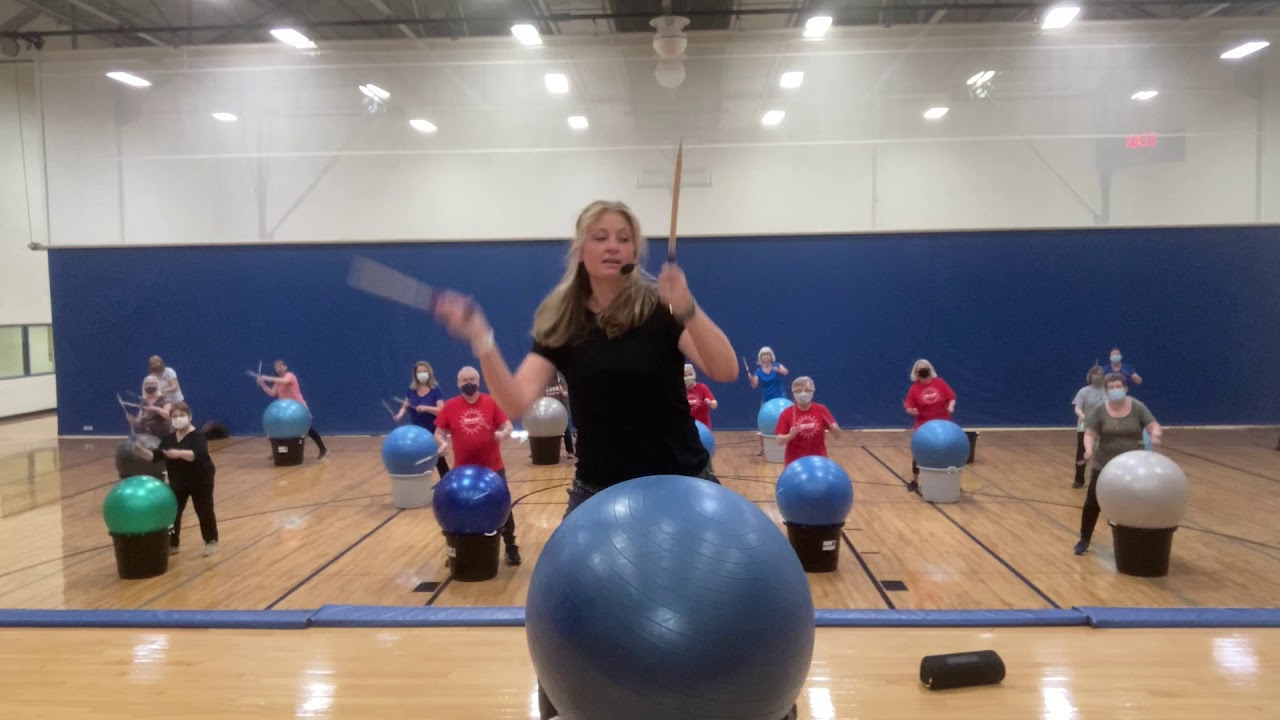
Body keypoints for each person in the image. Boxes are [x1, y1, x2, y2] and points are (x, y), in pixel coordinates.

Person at [431, 200, 755, 720]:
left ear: (635, 250)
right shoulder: (562, 323)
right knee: (567, 613)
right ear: (581, 249)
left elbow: (724, 369)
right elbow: (515, 402)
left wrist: (688, 305)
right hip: (600, 490)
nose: (613, 246)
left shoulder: (660, 308)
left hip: (684, 483)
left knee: (721, 607)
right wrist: (482, 341)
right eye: (601, 236)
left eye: (624, 238)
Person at [433, 366, 520, 566]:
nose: (468, 383)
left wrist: (503, 433)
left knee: (503, 507)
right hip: (463, 473)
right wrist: (443, 443)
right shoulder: (450, 406)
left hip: (492, 469)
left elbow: (508, 425)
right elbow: (439, 432)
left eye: (472, 379)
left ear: (478, 381)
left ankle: (510, 547)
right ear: (458, 383)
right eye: (464, 380)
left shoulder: (490, 402)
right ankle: (458, 550)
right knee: (458, 510)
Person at [1076, 373, 1162, 555]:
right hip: (1104, 465)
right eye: (1112, 387)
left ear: (1126, 388)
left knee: (1134, 503)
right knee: (1092, 502)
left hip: (1131, 467)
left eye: (1119, 386)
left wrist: (1155, 435)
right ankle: (1084, 539)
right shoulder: (1100, 410)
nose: (1116, 390)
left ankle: (1133, 541)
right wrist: (1089, 449)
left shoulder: (1137, 407)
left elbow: (1152, 424)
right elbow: (1090, 433)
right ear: (1107, 391)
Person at [148, 401, 218, 557]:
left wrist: (178, 453)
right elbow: (158, 455)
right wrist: (144, 453)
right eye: (175, 416)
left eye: (181, 415)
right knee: (173, 513)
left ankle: (211, 541)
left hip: (201, 480)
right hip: (178, 480)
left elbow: (198, 454)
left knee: (204, 511)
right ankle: (173, 543)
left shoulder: (198, 436)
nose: (178, 418)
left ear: (189, 416)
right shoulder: (168, 439)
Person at [256, 360, 328, 459]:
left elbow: (285, 381)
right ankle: (277, 451)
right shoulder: (278, 382)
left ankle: (323, 449)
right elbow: (272, 393)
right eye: (277, 367)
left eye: (281, 366)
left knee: (308, 429)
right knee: (278, 430)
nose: (279, 369)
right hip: (285, 413)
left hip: (299, 409)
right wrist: (263, 384)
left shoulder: (290, 375)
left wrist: (267, 378)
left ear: (285, 367)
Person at [903, 358, 956, 493]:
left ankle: (948, 482)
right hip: (924, 426)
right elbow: (908, 406)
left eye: (925, 368)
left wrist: (950, 407)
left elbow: (952, 397)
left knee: (946, 452)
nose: (923, 371)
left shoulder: (940, 383)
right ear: (916, 372)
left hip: (943, 425)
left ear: (930, 369)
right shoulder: (914, 388)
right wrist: (911, 411)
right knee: (919, 453)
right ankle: (915, 480)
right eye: (920, 369)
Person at [394, 361, 450, 477]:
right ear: (415, 374)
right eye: (420, 372)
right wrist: (400, 414)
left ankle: (446, 481)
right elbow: (406, 405)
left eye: (425, 371)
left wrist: (426, 408)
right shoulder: (411, 391)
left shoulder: (435, 390)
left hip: (433, 432)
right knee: (419, 461)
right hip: (417, 433)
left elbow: (441, 410)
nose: (422, 374)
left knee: (440, 461)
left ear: (429, 373)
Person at [775, 376, 840, 465]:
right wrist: (790, 436)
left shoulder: (821, 409)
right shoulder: (787, 413)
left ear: (812, 392)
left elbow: (838, 436)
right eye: (799, 391)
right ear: (793, 393)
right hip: (795, 463)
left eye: (807, 390)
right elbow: (779, 441)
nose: (803, 393)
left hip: (819, 461)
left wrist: (835, 429)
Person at [1071, 365, 1108, 488]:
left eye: (1101, 374)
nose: (1098, 376)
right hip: (1085, 424)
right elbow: (1077, 407)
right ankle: (1079, 479)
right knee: (1082, 452)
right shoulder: (1083, 391)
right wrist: (1081, 415)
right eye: (1095, 374)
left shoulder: (1107, 391)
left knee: (1102, 452)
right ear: (1090, 376)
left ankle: (1099, 479)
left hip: (1102, 425)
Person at [544, 371, 575, 459]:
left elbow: (566, 394)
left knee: (566, 431)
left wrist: (562, 392)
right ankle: (545, 451)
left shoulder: (561, 381)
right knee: (547, 432)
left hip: (561, 412)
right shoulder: (545, 383)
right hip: (549, 413)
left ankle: (570, 452)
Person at [683, 363, 718, 428]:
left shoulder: (702, 388)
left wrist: (710, 403)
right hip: (686, 426)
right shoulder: (679, 389)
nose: (688, 377)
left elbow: (715, 405)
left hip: (703, 425)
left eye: (690, 374)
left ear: (694, 374)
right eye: (685, 375)